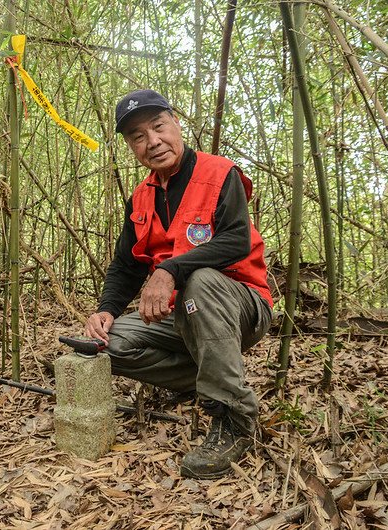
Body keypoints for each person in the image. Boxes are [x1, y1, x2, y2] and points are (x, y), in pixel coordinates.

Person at [85, 89, 273, 479]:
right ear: (131, 146)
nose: (152, 141)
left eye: (158, 126)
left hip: (241, 305)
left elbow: (236, 239)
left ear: (176, 123)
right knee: (109, 345)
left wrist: (171, 270)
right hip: (183, 316)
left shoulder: (219, 172)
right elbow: (126, 264)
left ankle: (234, 416)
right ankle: (207, 373)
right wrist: (106, 309)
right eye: (138, 136)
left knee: (200, 281)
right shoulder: (141, 196)